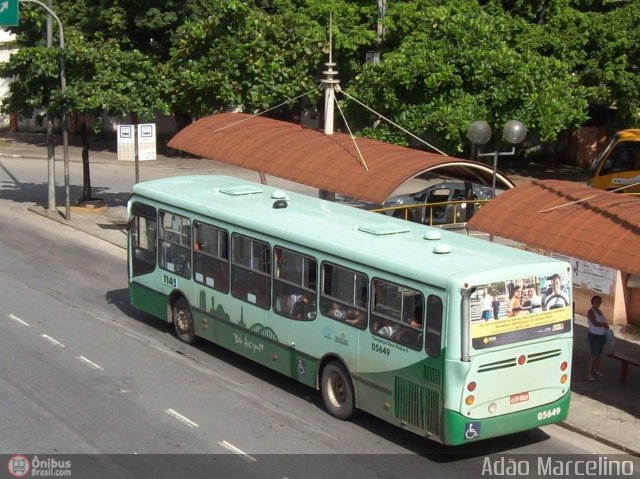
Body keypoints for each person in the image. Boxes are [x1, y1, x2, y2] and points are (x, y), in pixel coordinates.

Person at [587, 295, 609, 381]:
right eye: (595, 301)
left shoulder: (600, 311)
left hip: (601, 335)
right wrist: (603, 325)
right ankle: (589, 373)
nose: (597, 303)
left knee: (598, 354)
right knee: (594, 354)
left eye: (599, 302)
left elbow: (603, 321)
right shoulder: (591, 311)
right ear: (592, 302)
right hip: (594, 336)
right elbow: (595, 323)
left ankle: (595, 370)